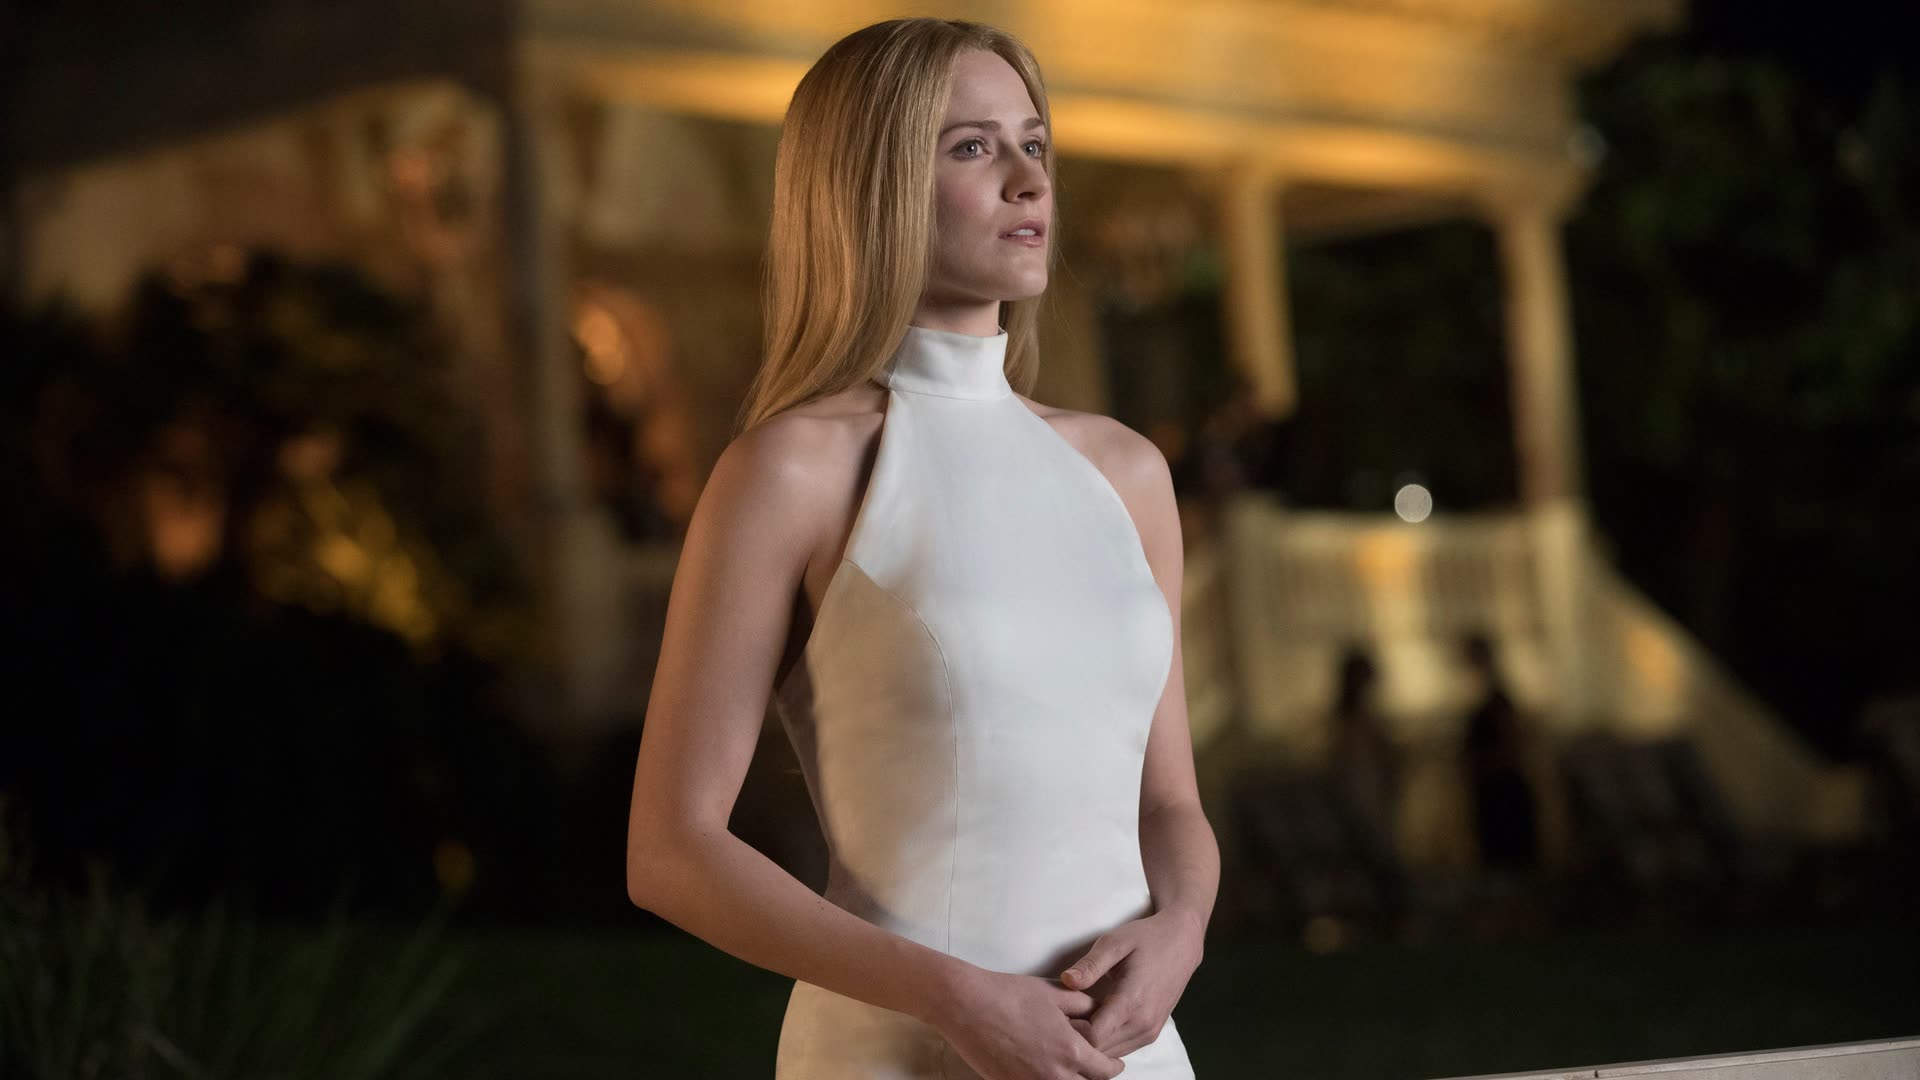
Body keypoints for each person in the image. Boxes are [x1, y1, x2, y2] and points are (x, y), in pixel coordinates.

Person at [623, 18, 1218, 1080]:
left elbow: (1168, 801)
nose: (1028, 181)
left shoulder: (1126, 472)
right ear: (871, 186)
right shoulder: (791, 470)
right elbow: (671, 852)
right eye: (973, 147)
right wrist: (955, 998)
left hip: (1130, 1056)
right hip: (896, 1054)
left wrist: (1183, 929)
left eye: (1035, 144)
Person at [1459, 633, 1540, 871]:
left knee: (1510, 862)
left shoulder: (1497, 700)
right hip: (1493, 788)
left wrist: (1483, 764)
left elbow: (1512, 745)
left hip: (1502, 791)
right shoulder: (1489, 697)